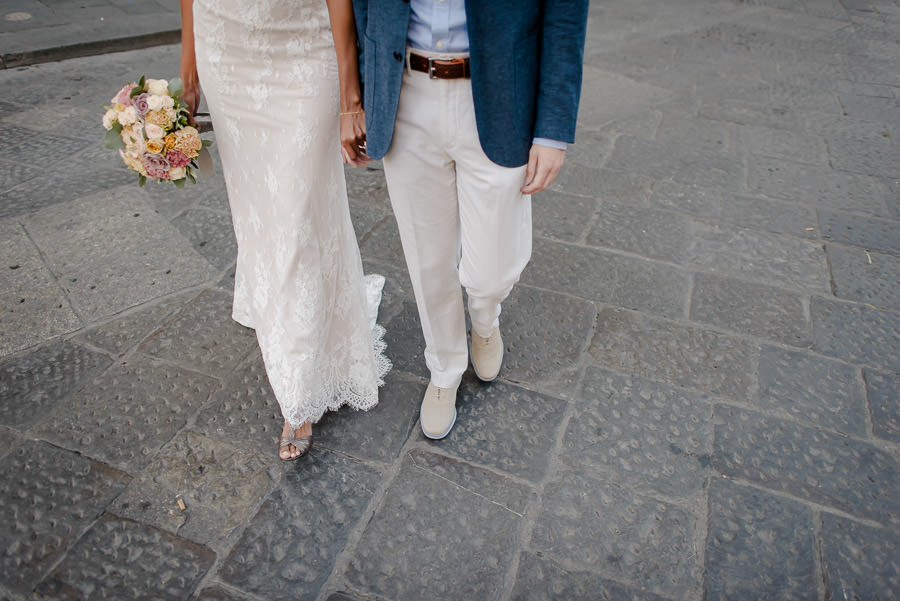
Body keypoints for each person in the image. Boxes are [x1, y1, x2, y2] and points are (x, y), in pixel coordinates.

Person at [352, 1, 588, 439]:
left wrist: (552, 128)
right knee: (428, 256)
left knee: (492, 271)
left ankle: (485, 316)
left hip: (501, 92)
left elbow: (565, 14)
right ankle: (444, 368)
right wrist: (364, 94)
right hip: (405, 89)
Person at [179, 0, 390, 460]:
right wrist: (190, 75)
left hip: (303, 45)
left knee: (298, 212)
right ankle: (270, 302)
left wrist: (351, 98)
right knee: (255, 203)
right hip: (225, 47)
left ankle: (299, 389)